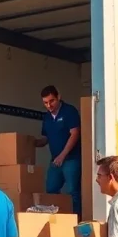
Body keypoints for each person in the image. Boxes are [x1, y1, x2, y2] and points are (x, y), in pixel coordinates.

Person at [35, 85, 82, 218]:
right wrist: (30, 143)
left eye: (52, 101)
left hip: (71, 159)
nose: (49, 105)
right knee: (51, 190)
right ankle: (57, 220)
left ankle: (76, 220)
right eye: (45, 103)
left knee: (73, 192)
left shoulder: (69, 111)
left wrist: (62, 155)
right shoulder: (47, 117)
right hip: (55, 160)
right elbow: (45, 138)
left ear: (58, 97)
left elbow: (75, 134)